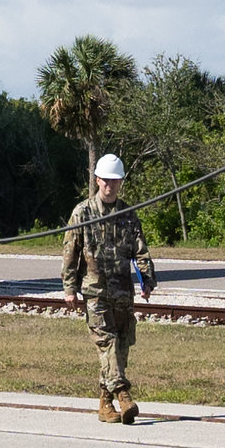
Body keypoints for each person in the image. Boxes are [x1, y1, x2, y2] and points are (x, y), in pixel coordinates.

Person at [60, 151, 151, 420]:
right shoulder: (83, 212)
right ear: (97, 180)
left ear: (120, 182)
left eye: (115, 180)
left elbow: (140, 251)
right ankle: (123, 395)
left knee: (120, 347)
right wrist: (69, 288)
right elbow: (70, 252)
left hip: (122, 291)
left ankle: (105, 403)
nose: (110, 185)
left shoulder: (128, 214)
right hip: (95, 291)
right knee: (106, 342)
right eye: (106, 180)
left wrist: (147, 280)